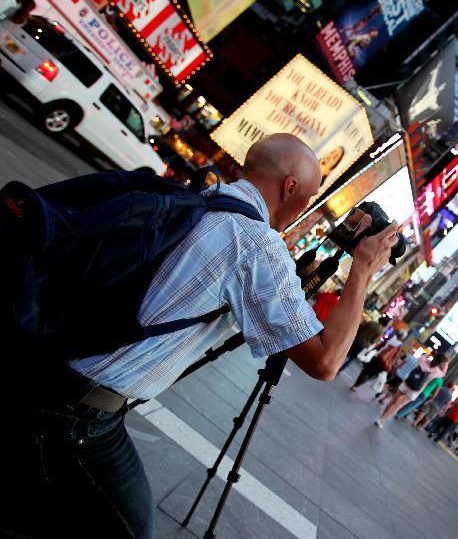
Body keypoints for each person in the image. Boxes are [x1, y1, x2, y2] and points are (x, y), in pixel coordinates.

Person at [1, 134, 399, 538]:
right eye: (309, 195)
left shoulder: (199, 195)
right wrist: (363, 270)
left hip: (38, 361)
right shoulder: (257, 246)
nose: (310, 207)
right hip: (77, 414)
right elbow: (326, 362)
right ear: (290, 187)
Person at [376, 352, 448, 427]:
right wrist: (446, 363)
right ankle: (382, 420)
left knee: (393, 401)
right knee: (398, 406)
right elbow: (444, 373)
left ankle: (380, 417)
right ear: (441, 363)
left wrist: (428, 355)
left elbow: (422, 357)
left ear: (434, 357)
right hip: (415, 390)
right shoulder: (437, 372)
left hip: (407, 383)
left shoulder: (423, 361)